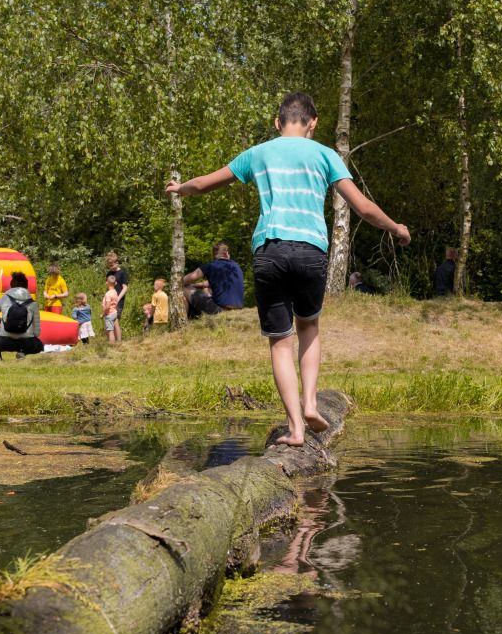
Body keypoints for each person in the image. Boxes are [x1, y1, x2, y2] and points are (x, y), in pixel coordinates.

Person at [166, 91, 410, 446]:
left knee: (280, 342)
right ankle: (310, 403)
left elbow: (204, 184)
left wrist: (180, 189)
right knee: (308, 326)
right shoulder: (325, 155)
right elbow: (363, 208)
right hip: (311, 250)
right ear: (313, 123)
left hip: (270, 250)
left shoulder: (259, 153)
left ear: (277, 122)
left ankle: (296, 428)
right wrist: (396, 228)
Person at [0, 270, 44, 360]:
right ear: (26, 286)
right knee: (40, 346)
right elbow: (37, 333)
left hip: (5, 342)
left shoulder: (5, 298)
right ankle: (22, 352)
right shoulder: (33, 304)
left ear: (11, 285)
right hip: (26, 343)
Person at [185, 242, 245, 310]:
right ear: (226, 254)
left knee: (184, 288)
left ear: (215, 254)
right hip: (238, 309)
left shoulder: (211, 266)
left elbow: (187, 279)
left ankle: (182, 316)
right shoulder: (236, 267)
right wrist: (194, 285)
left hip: (220, 310)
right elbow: (214, 283)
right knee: (207, 289)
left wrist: (184, 284)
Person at [104, 252, 129, 341]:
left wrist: (118, 298)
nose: (111, 267)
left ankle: (118, 341)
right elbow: (108, 287)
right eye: (109, 265)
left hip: (119, 300)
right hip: (109, 300)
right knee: (111, 320)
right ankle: (113, 340)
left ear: (117, 262)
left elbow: (125, 288)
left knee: (115, 320)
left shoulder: (122, 273)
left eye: (112, 265)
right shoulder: (109, 273)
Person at [101, 273, 121, 339]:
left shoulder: (108, 294)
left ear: (107, 283)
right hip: (114, 312)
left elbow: (108, 306)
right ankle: (119, 341)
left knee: (110, 330)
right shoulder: (115, 292)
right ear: (115, 283)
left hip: (109, 314)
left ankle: (111, 344)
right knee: (116, 326)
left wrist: (103, 313)